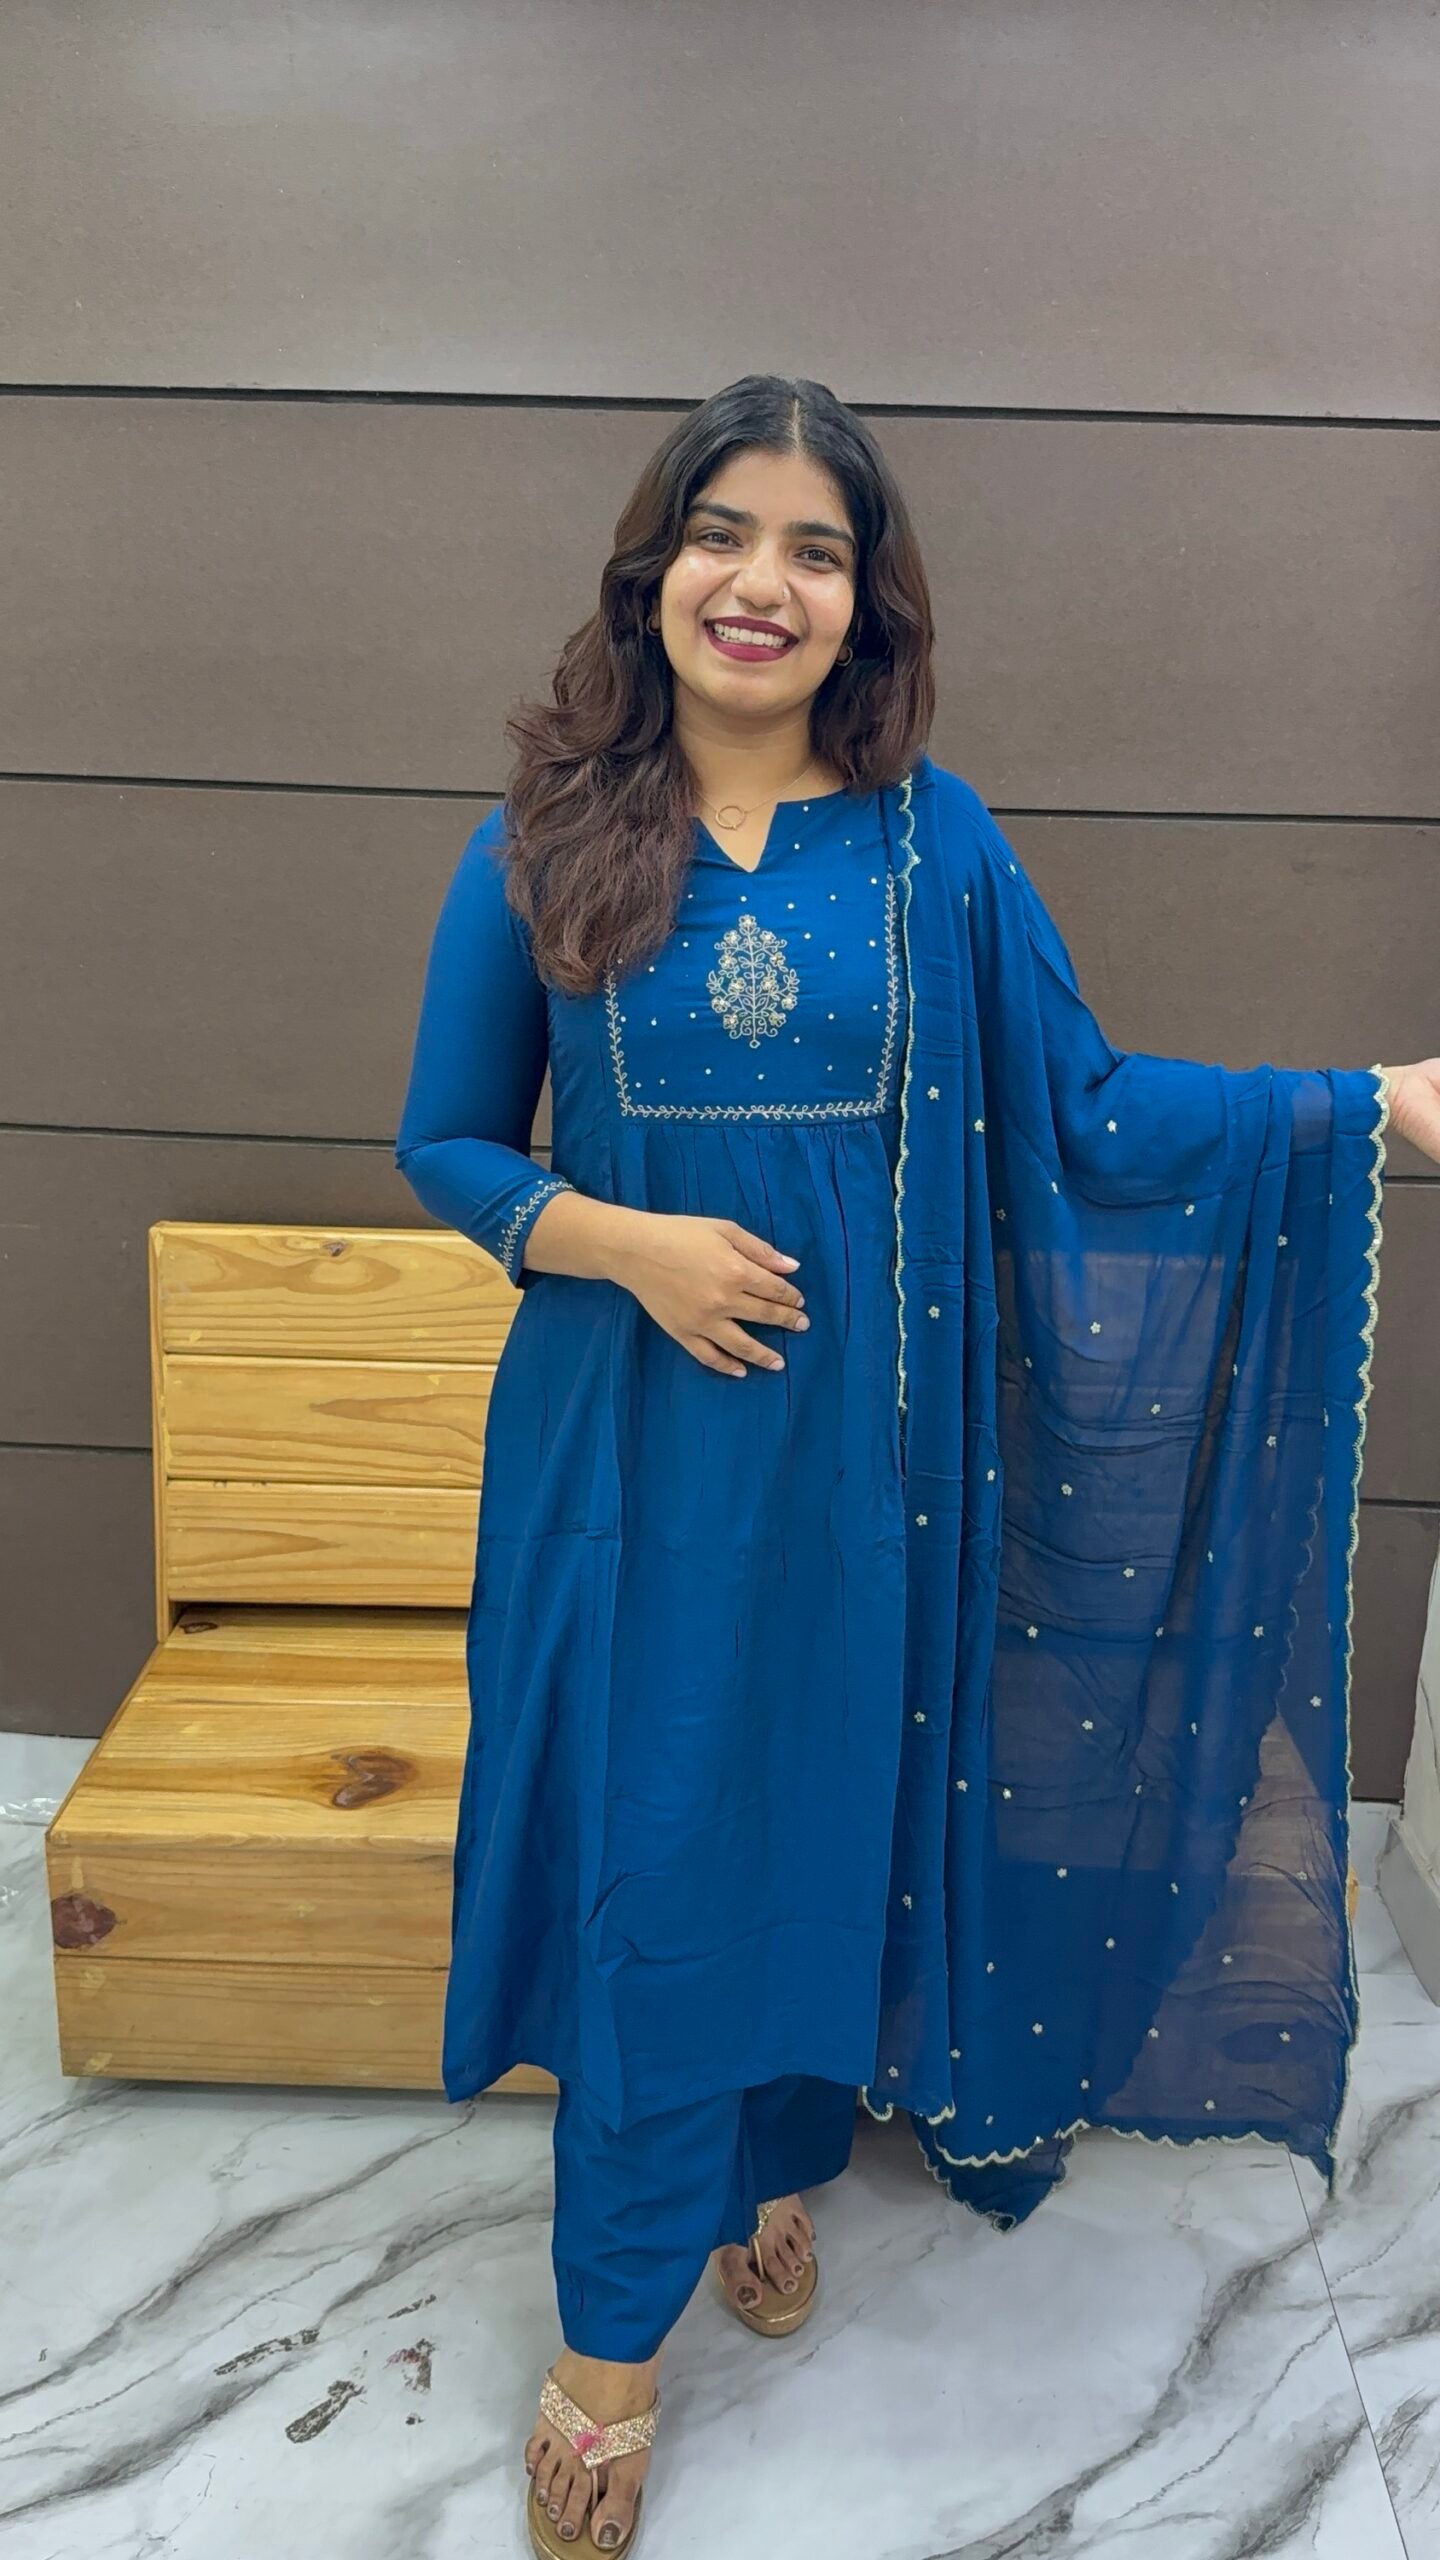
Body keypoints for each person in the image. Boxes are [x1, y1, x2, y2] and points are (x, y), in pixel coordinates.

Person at [393, 372, 1440, 2558]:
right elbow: (447, 1143)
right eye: (723, 532)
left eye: (816, 548)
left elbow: (1085, 1107)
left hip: (864, 1487)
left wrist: (1359, 1104)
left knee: (816, 1833)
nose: (761, 582)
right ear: (652, 567)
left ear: (865, 602)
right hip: (625, 1475)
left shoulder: (929, 844)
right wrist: (624, 1242)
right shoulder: (542, 839)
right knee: (651, 1868)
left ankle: (768, 2165)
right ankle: (611, 2338)